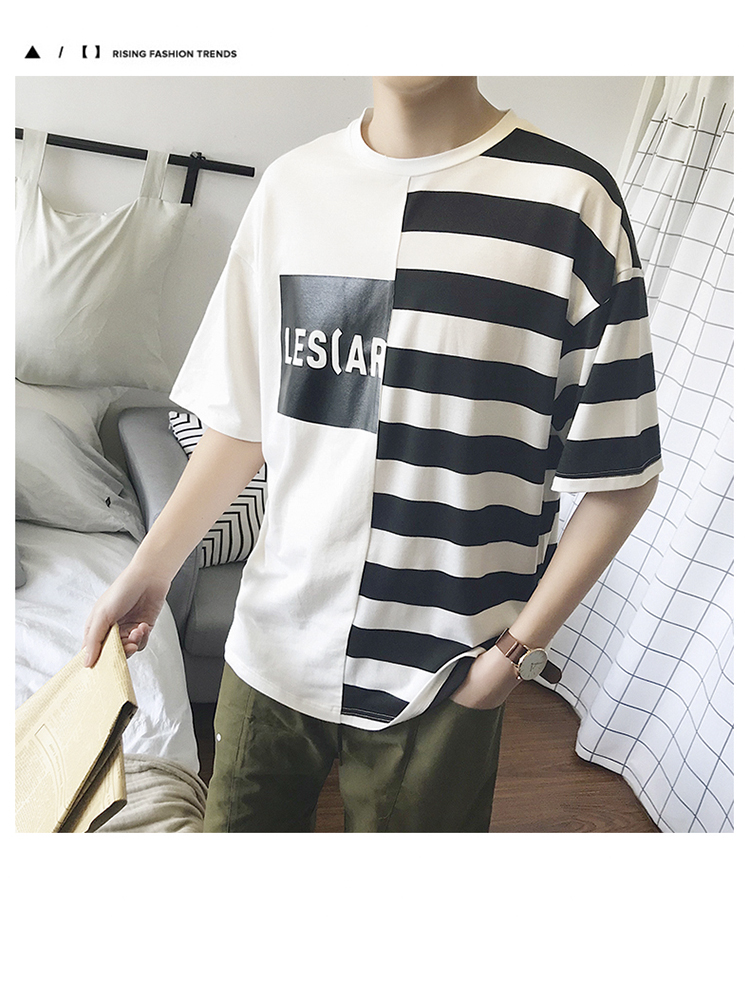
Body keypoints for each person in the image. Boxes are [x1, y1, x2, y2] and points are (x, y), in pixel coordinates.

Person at [83, 77, 662, 832]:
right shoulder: (292, 189)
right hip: (271, 651)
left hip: (446, 675)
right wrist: (150, 570)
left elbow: (623, 473)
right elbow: (244, 424)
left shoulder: (574, 205)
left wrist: (515, 655)